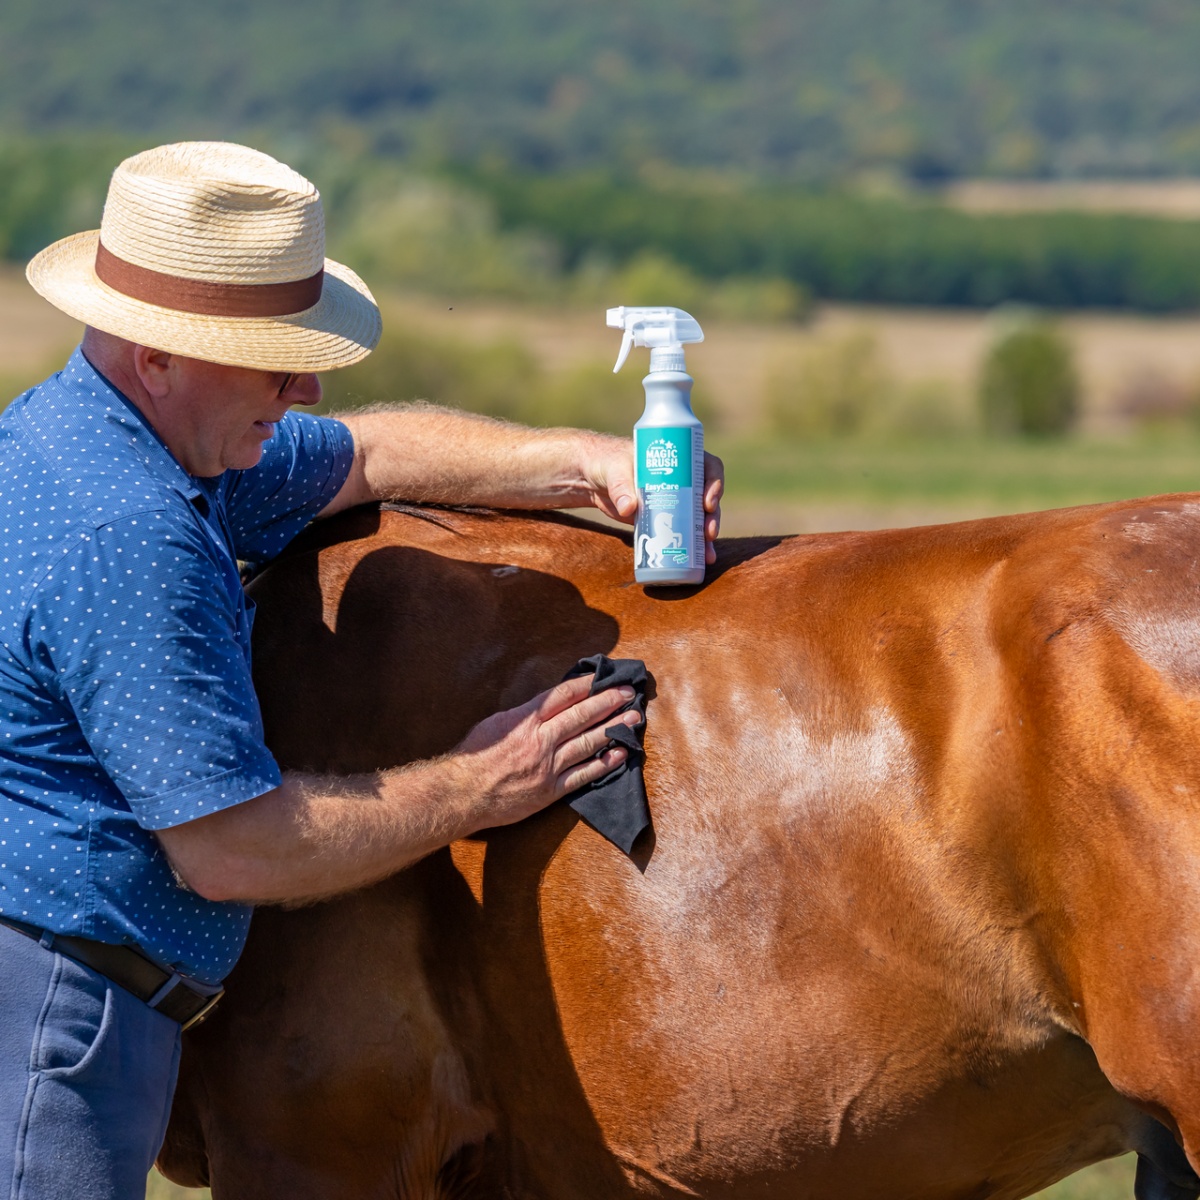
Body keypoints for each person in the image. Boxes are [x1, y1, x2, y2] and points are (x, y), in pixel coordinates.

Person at [0, 141, 724, 1199]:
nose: (305, 385)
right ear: (159, 355)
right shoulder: (130, 531)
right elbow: (234, 849)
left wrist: (585, 462)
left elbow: (367, 454)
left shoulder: (98, 433)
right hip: (58, 1018)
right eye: (273, 359)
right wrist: (488, 781)